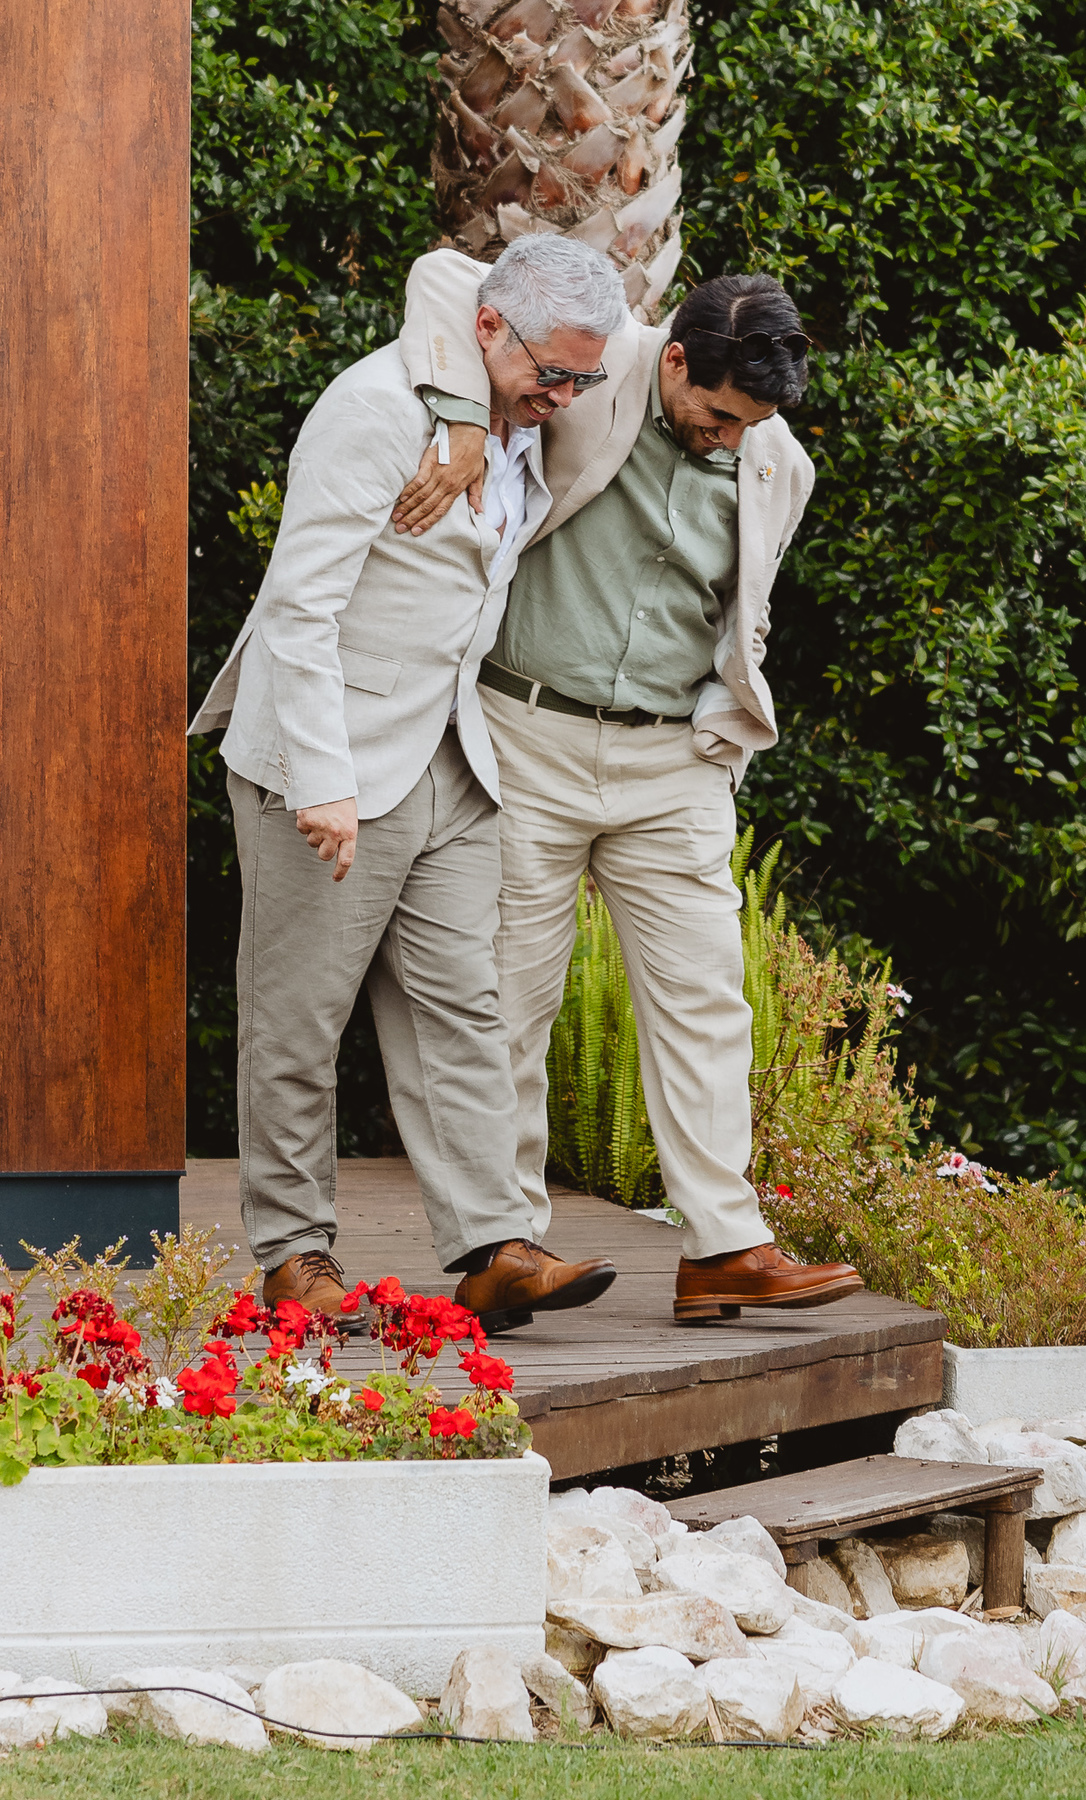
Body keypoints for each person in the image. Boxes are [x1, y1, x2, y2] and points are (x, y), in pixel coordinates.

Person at [393, 250, 863, 1325]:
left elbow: (743, 609)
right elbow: (442, 278)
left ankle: (724, 1249)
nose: (732, 438)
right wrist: (461, 424)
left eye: (752, 423)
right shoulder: (595, 366)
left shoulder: (776, 462)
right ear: (677, 359)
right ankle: (506, 1246)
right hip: (527, 736)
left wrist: (722, 739)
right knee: (509, 998)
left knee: (707, 1000)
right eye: (720, 414)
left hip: (673, 763)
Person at [187, 236, 630, 1331]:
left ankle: (493, 1247)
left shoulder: (515, 405)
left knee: (463, 1009)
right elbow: (299, 607)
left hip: (451, 753)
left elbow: (465, 275)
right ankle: (294, 1255)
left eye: (582, 381)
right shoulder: (374, 412)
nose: (565, 399)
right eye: (552, 376)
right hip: (329, 758)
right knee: (299, 1019)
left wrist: (496, 411)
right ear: (487, 330)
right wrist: (320, 780)